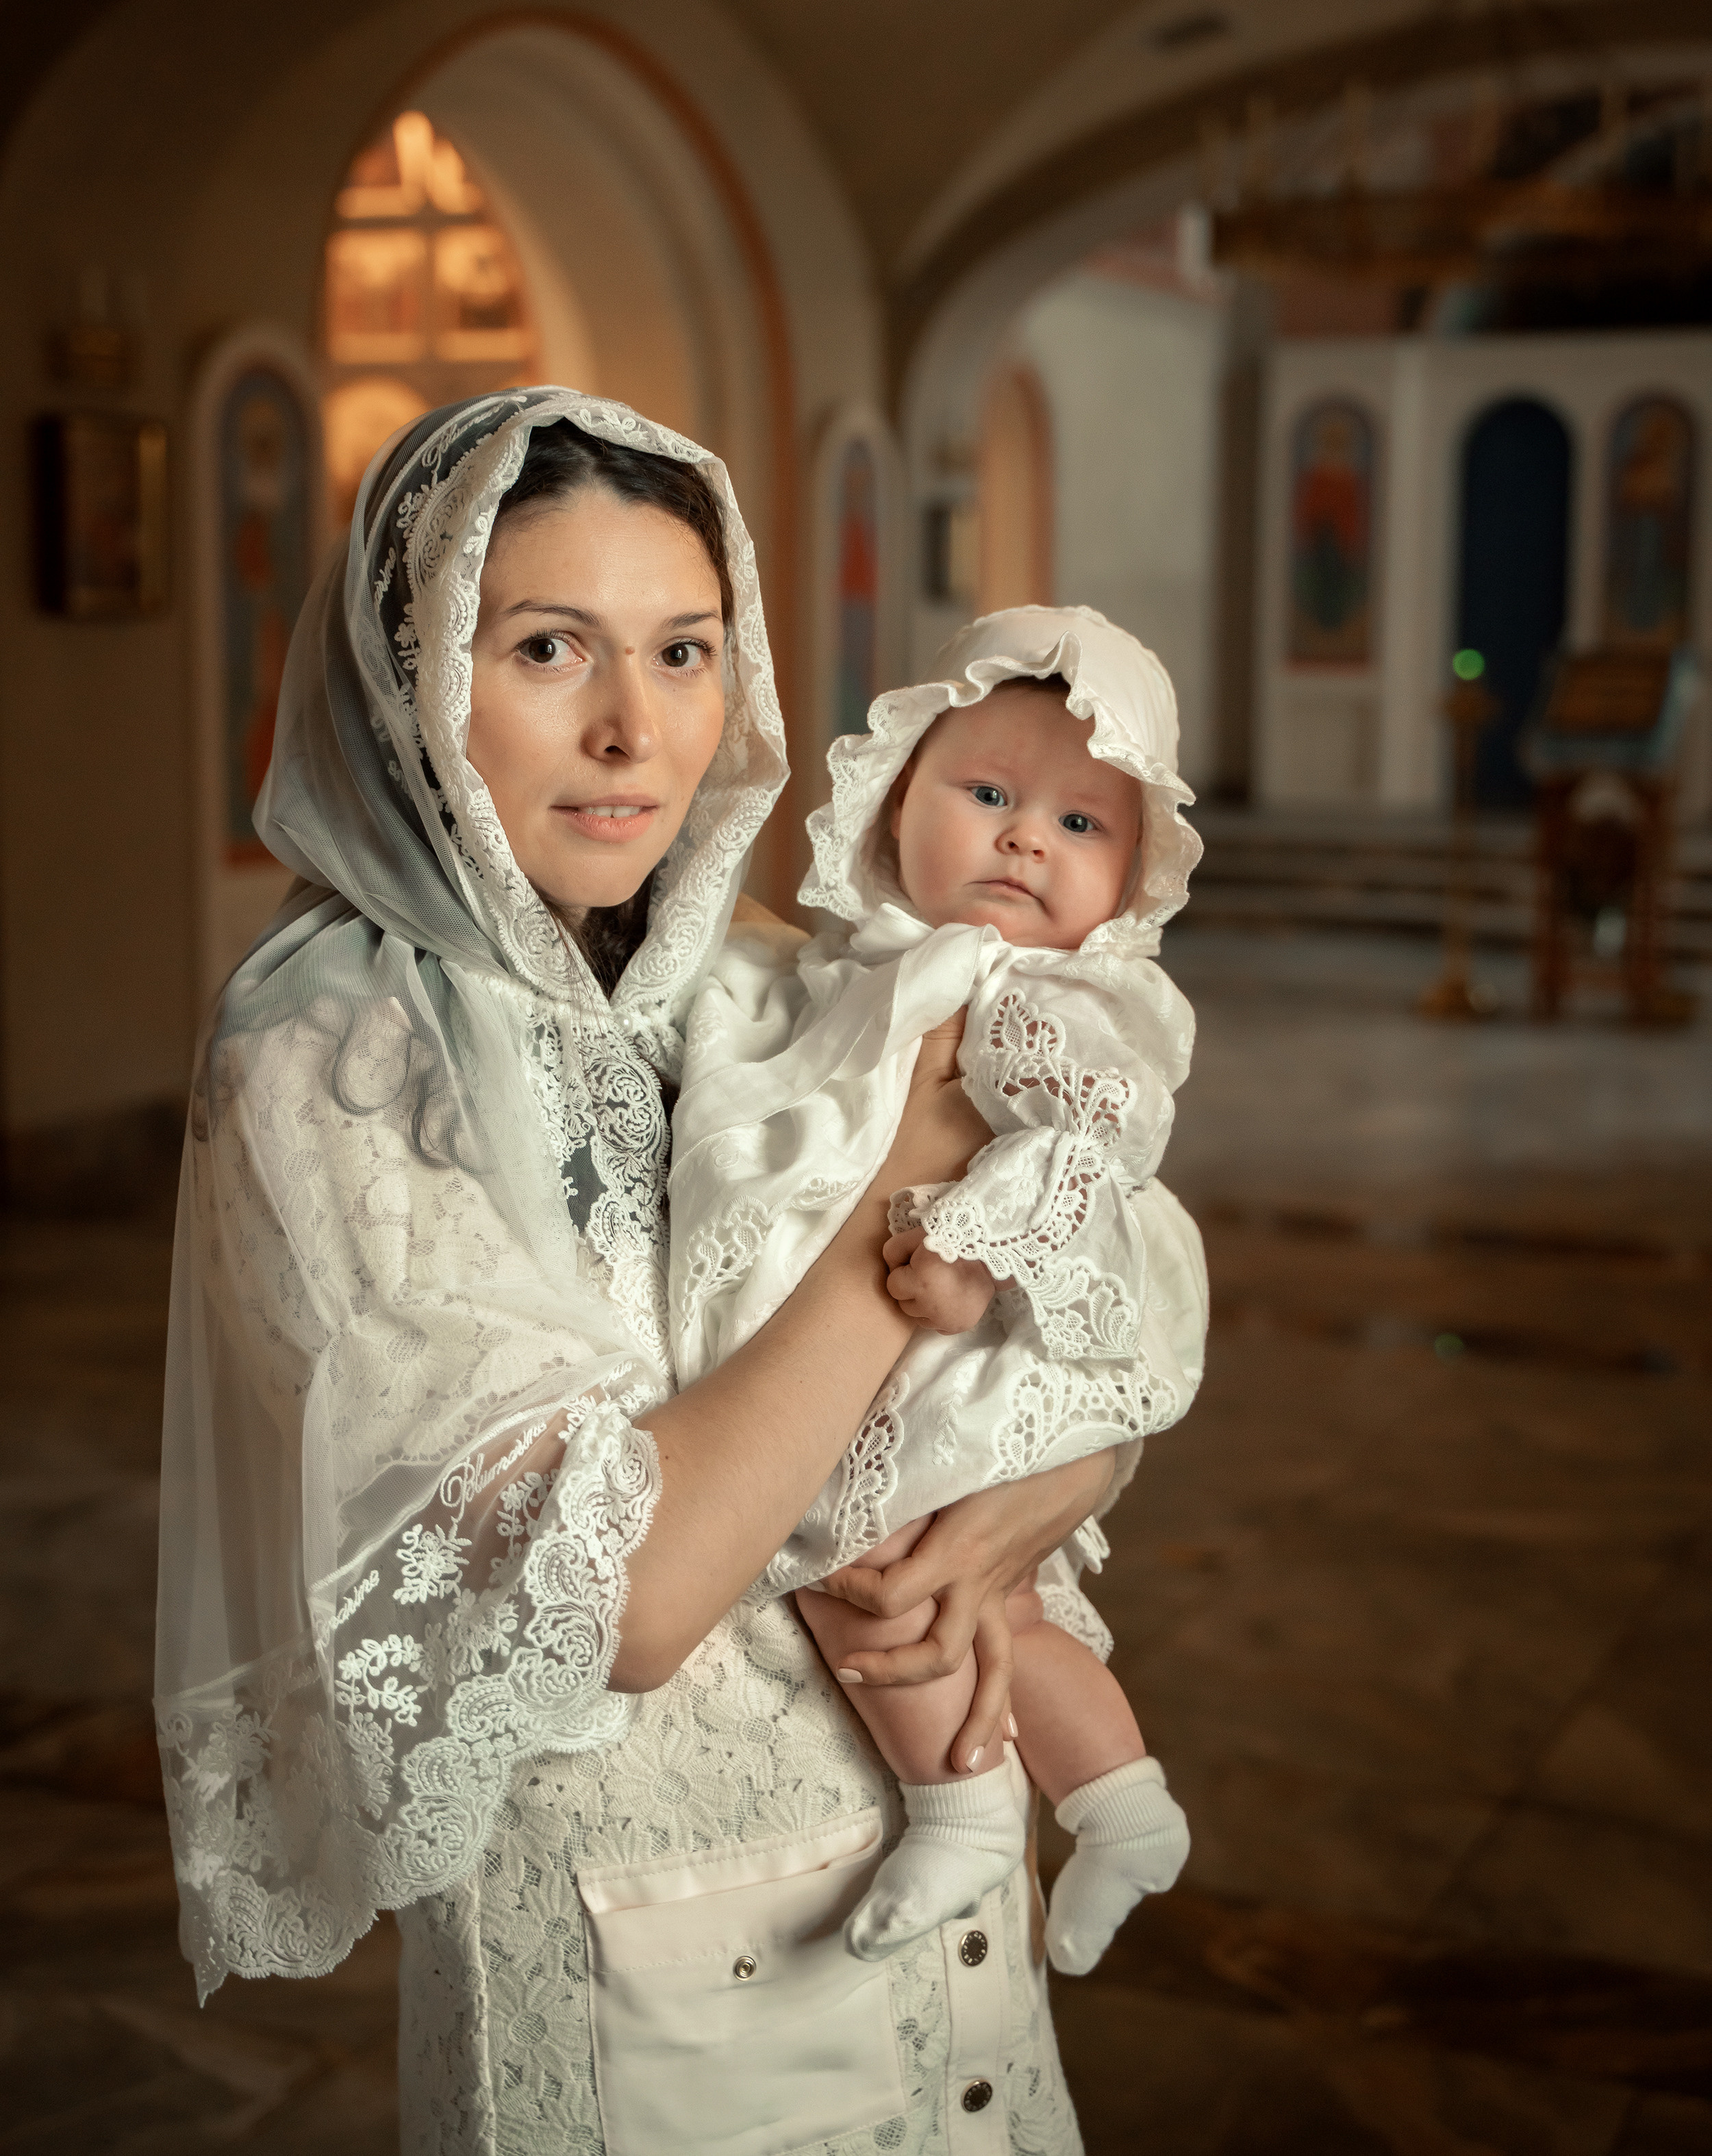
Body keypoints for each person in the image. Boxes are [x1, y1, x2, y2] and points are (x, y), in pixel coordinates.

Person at [155, 390, 1114, 2155]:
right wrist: (903, 1204)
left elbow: (1077, 1294)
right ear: (415, 680)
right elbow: (627, 1599)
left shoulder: (773, 989)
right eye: (546, 648)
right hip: (652, 1986)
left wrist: (1035, 1499)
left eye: (682, 651)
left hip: (943, 1888)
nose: (629, 729)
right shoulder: (339, 1058)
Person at [670, 608, 1207, 1976]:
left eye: (1083, 826)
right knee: (990, 1612)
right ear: (893, 801)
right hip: (887, 1352)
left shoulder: (1033, 996)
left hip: (960, 1352)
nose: (1027, 838)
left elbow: (1089, 1147)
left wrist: (976, 1246)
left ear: (1133, 876)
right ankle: (1118, 1803)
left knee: (858, 1575)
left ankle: (961, 1806)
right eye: (987, 796)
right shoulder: (855, 968)